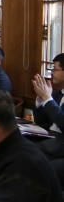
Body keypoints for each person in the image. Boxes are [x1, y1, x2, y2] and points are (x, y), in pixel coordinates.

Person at [31, 53, 64, 186]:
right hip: (48, 137)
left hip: (60, 143)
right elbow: (40, 121)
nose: (51, 72)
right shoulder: (57, 93)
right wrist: (40, 100)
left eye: (55, 69)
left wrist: (48, 99)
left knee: (26, 154)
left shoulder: (52, 95)